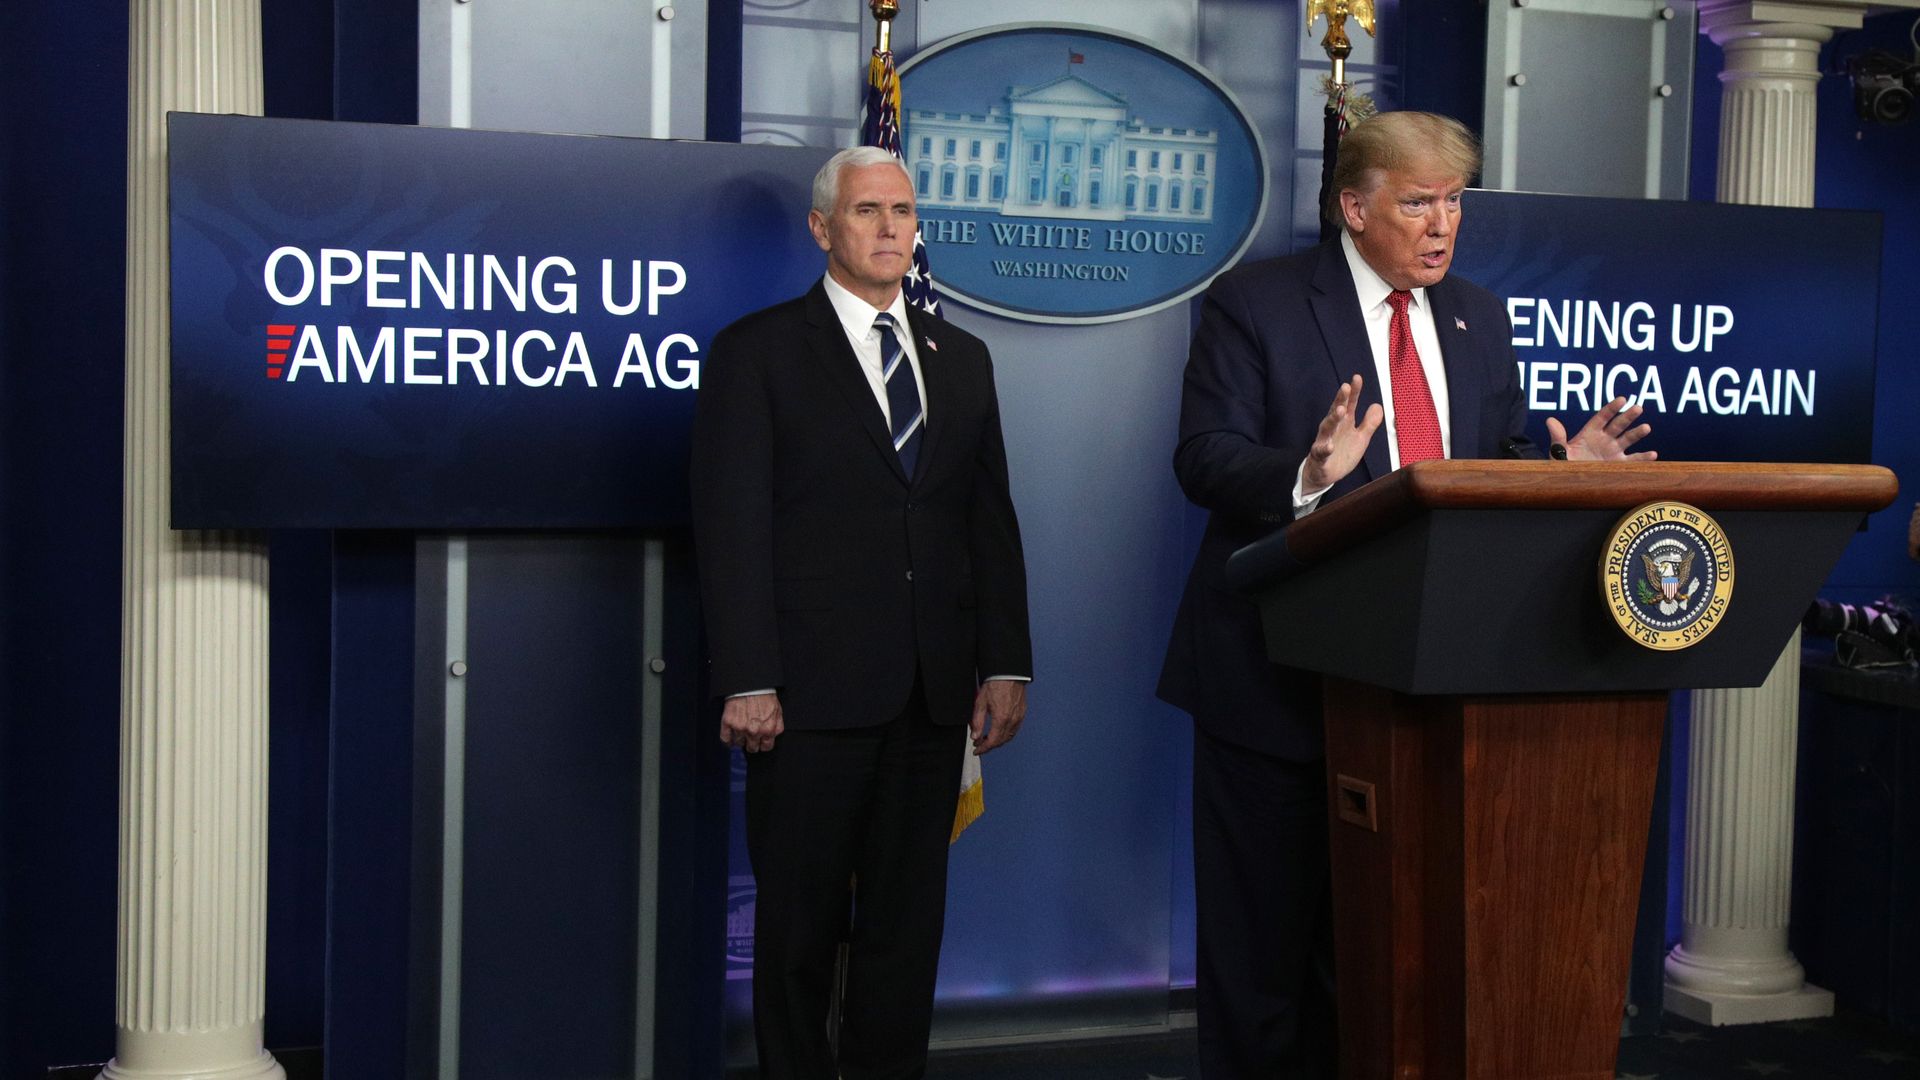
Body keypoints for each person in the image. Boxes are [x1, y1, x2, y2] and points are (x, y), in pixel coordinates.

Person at [1157, 111, 1654, 1079]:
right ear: (1354, 208)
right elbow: (1203, 456)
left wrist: (1565, 473)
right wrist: (1306, 475)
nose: (1442, 225)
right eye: (1419, 202)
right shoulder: (1256, 303)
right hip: (1276, 683)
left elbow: (1494, 469)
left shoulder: (1479, 315)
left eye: (1454, 202)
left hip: (1425, 689)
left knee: (1383, 959)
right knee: (1262, 960)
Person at [690, 145, 1033, 1080]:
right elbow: (731, 526)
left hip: (932, 696)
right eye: (867, 211)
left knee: (904, 933)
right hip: (807, 698)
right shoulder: (758, 352)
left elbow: (987, 520)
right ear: (822, 228)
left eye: (903, 212)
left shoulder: (962, 358)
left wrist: (1006, 660)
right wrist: (748, 676)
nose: (889, 228)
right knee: (798, 934)